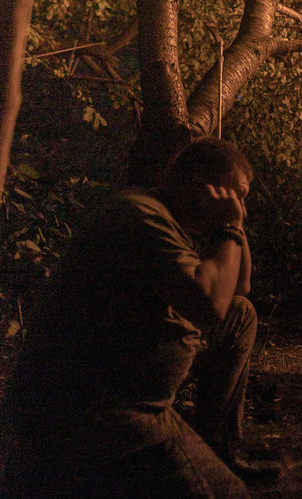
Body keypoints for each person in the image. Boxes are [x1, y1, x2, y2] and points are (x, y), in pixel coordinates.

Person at [3, 137, 279, 498]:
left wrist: (233, 228)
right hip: (98, 417)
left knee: (242, 314)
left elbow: (237, 290)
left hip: (140, 405)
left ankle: (219, 443)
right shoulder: (140, 216)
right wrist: (229, 228)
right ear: (200, 185)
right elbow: (210, 304)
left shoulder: (176, 223)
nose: (240, 207)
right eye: (237, 195)